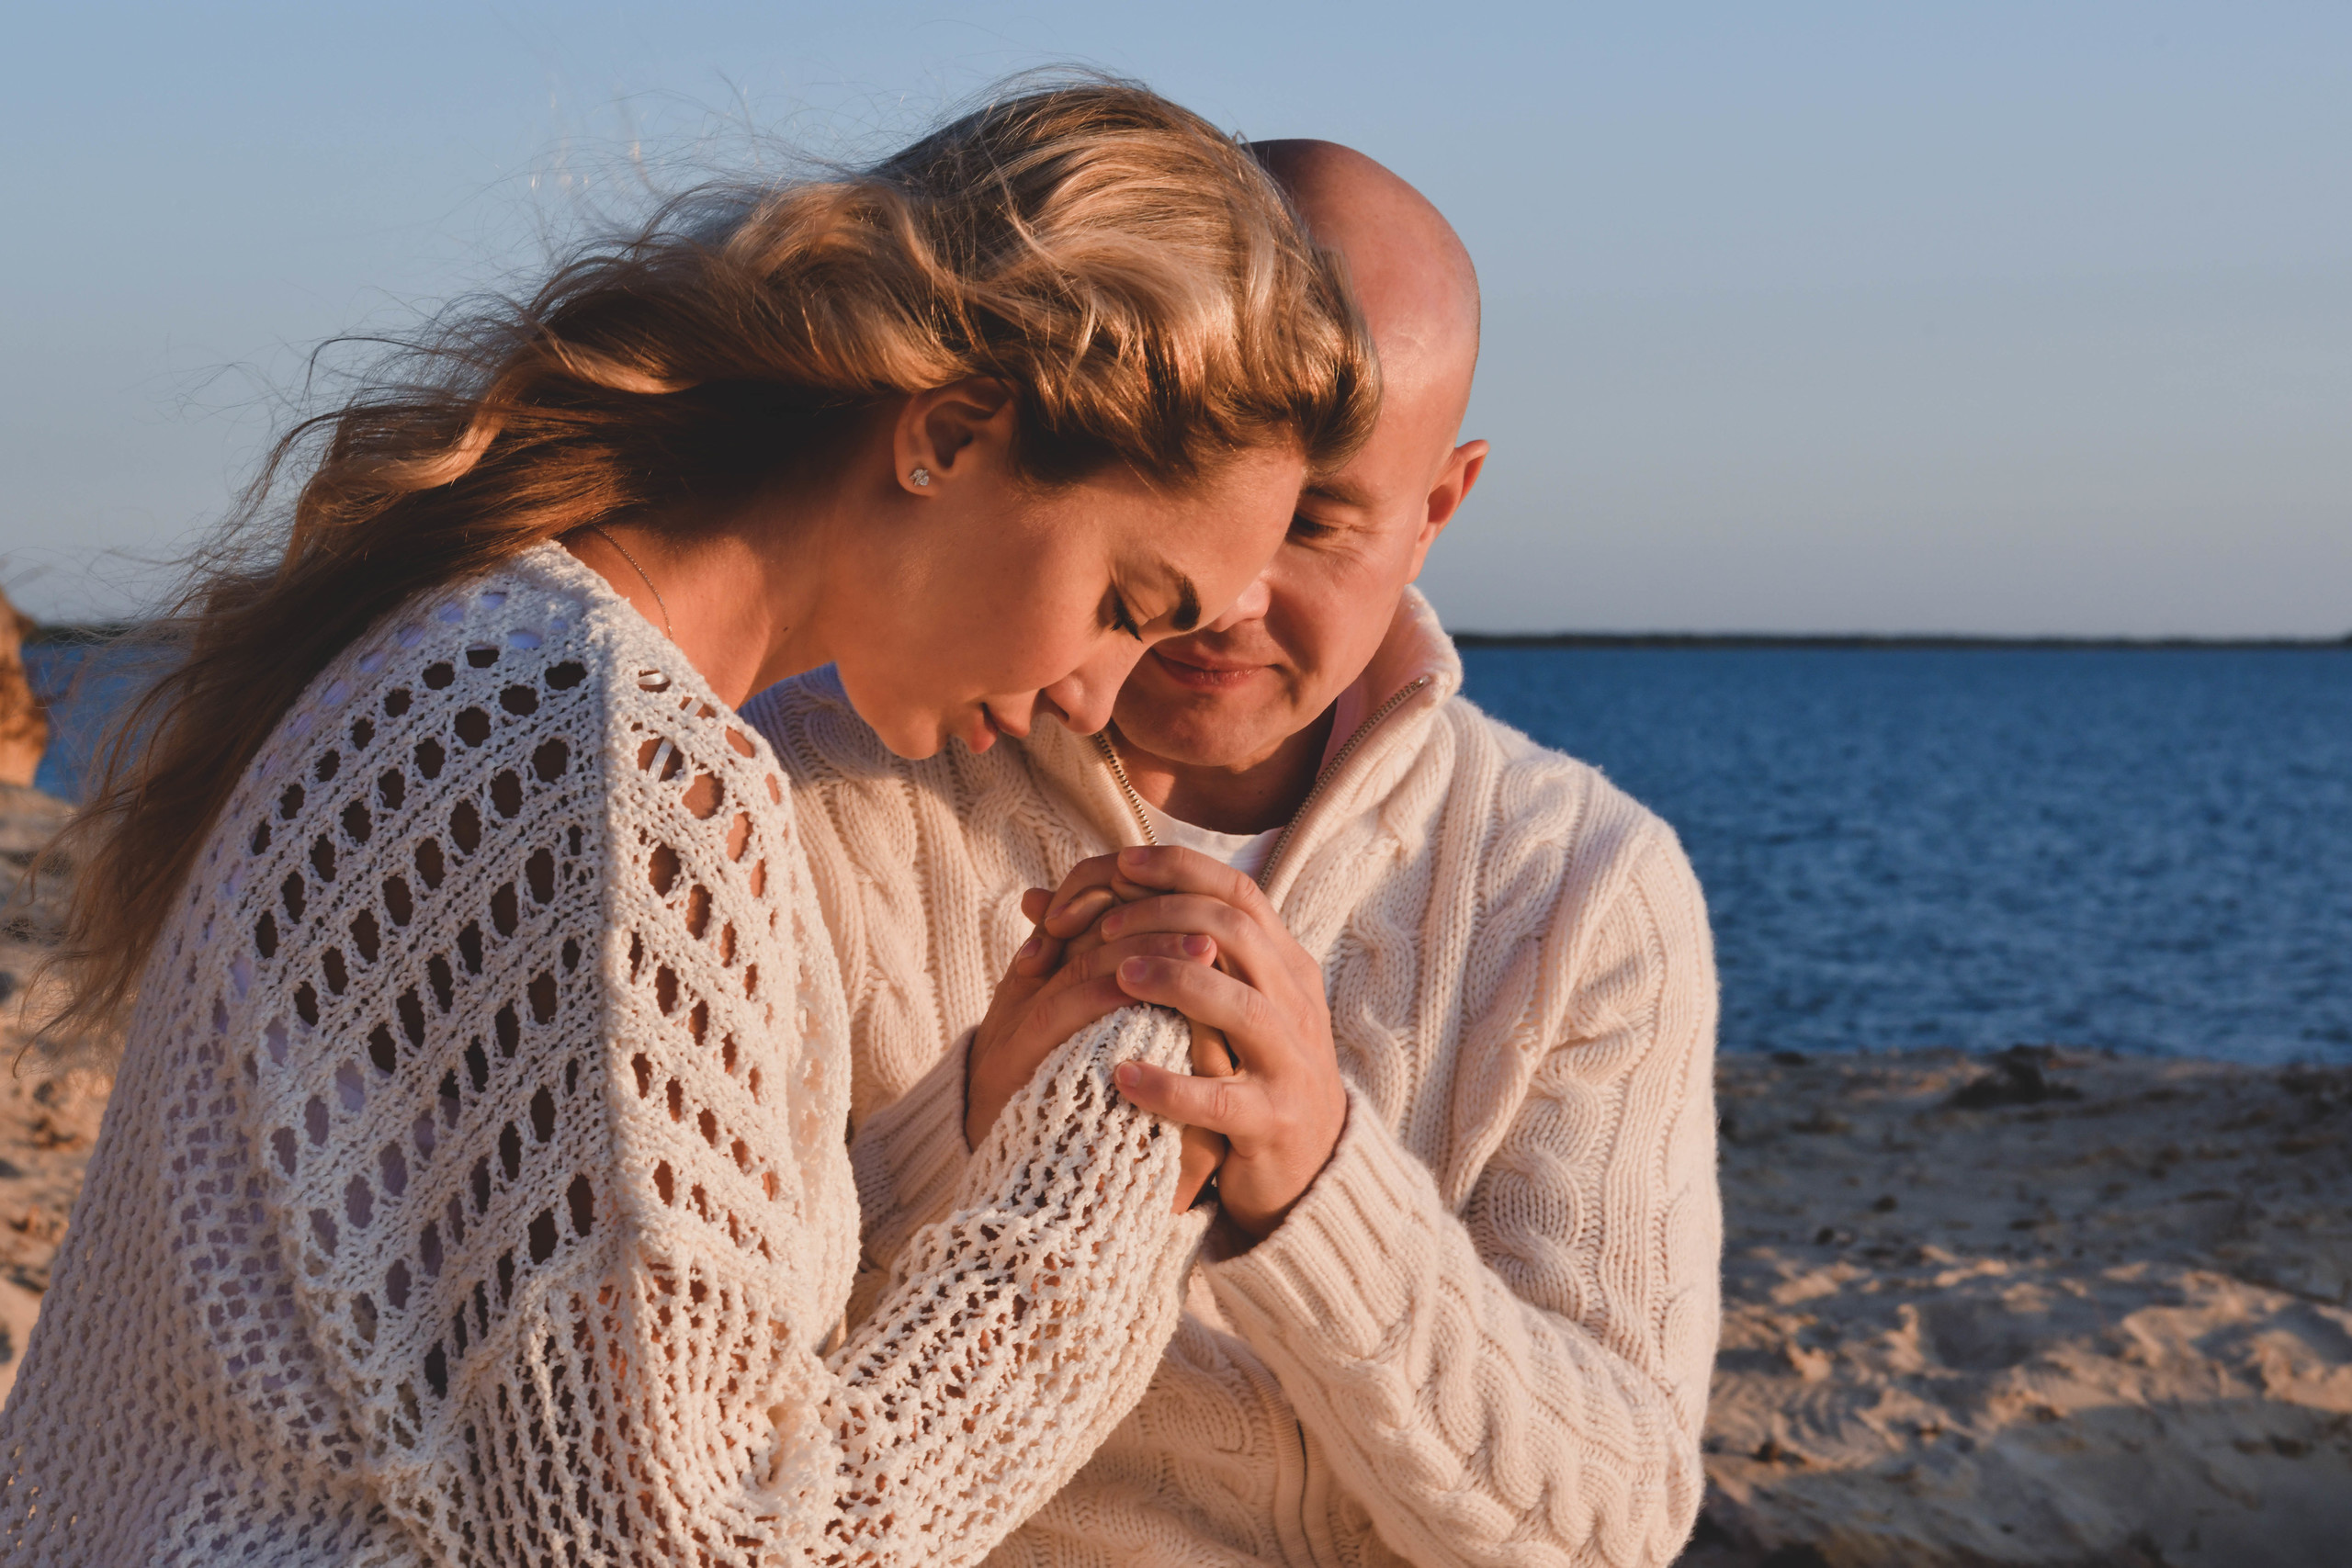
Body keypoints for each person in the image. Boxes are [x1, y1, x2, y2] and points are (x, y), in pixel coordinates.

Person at [0, 85, 1378, 1566]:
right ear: (956, 433)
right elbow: (684, 1546)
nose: (1098, 692)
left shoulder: (500, 660)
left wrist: (971, 1119)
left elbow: (531, 1371)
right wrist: (1108, 1178)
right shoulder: (605, 772)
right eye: (1124, 602)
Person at [750, 141, 1721, 1567]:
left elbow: (1616, 1524)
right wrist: (969, 1134)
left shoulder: (1581, 888)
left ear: (1441, 505)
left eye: (1318, 524)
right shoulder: (811, 781)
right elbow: (696, 1410)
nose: (1229, 596)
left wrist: (1321, 1183)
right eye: (1200, 499)